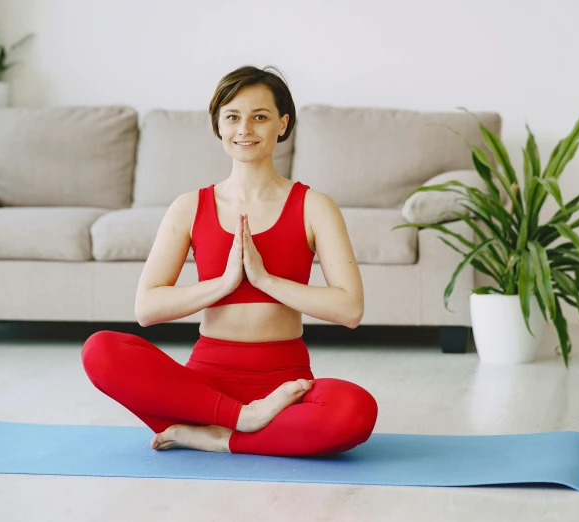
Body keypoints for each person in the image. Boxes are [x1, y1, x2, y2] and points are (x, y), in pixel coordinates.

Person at [81, 65, 378, 457]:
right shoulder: (189, 206)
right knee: (99, 350)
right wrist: (224, 283)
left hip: (284, 387)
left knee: (355, 411)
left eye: (260, 117)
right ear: (219, 126)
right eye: (233, 117)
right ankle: (242, 421)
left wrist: (265, 279)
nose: (245, 129)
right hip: (204, 387)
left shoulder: (314, 206)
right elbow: (146, 308)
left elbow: (350, 309)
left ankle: (217, 437)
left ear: (282, 124)